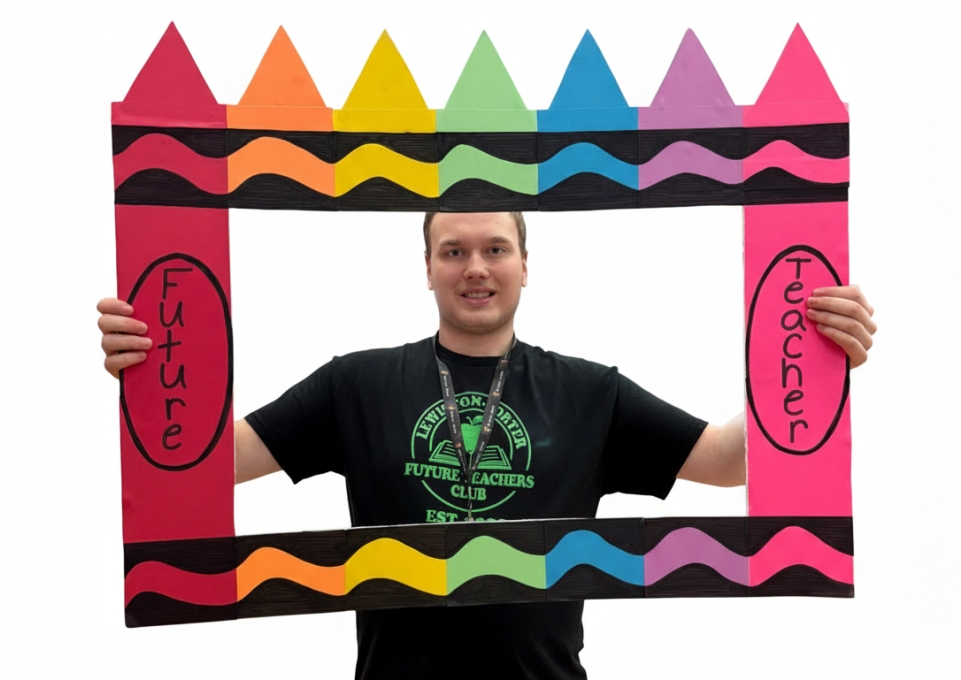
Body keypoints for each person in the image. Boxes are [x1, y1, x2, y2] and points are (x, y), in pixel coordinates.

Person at [97, 211, 876, 679]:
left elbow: (728, 461)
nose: (476, 268)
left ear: (525, 265)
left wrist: (814, 359)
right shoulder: (355, 384)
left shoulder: (587, 391)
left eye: (495, 249)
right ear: (427, 268)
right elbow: (206, 464)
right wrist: (158, 367)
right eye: (454, 251)